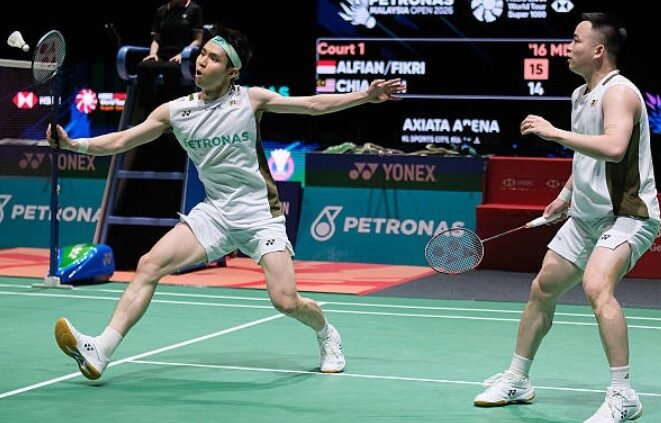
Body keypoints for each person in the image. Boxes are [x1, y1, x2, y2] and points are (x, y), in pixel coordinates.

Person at [48, 24, 406, 381]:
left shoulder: (250, 100)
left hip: (260, 215)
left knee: (285, 300)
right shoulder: (176, 111)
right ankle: (101, 350)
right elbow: (122, 140)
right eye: (203, 54)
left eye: (214, 58)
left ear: (232, 72)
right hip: (215, 213)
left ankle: (326, 332)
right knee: (149, 264)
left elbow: (312, 105)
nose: (202, 62)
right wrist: (74, 145)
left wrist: (365, 95)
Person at [473, 12, 660, 423]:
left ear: (598, 50)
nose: (568, 47)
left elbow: (614, 147)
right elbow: (586, 157)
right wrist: (565, 195)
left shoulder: (619, 92)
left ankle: (623, 395)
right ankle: (518, 379)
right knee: (543, 288)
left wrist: (553, 132)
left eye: (575, 40)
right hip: (585, 216)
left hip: (628, 214)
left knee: (597, 286)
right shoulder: (581, 94)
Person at [136, 0, 204, 114]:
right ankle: (146, 111)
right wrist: (153, 54)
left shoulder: (194, 9)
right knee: (144, 66)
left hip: (184, 57)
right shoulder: (161, 10)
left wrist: (183, 54)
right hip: (162, 56)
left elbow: (198, 40)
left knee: (170, 68)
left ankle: (173, 111)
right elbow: (156, 39)